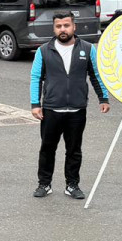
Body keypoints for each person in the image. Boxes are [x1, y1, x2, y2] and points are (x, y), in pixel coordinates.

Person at [29, 12, 110, 199]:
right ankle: (44, 184)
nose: (62, 29)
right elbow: (36, 78)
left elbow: (96, 75)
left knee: (74, 150)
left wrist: (103, 98)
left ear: (74, 27)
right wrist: (35, 104)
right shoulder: (43, 50)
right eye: (58, 26)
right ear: (54, 28)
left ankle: (72, 185)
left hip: (77, 109)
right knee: (47, 149)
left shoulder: (88, 49)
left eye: (66, 25)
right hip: (51, 109)